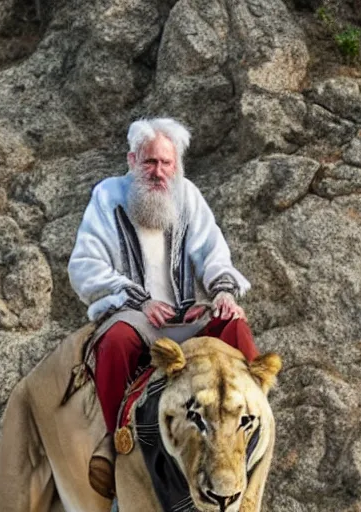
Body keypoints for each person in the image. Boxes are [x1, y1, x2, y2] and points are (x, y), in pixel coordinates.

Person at [67, 117, 259, 498]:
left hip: (186, 316)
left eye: (165, 163)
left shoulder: (188, 196)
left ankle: (253, 426)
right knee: (117, 339)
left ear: (177, 165)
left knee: (234, 326)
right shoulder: (107, 196)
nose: (158, 172)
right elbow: (85, 266)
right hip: (134, 314)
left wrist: (222, 292)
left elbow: (214, 253)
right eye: (149, 162)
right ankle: (114, 441)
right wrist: (138, 298)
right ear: (132, 160)